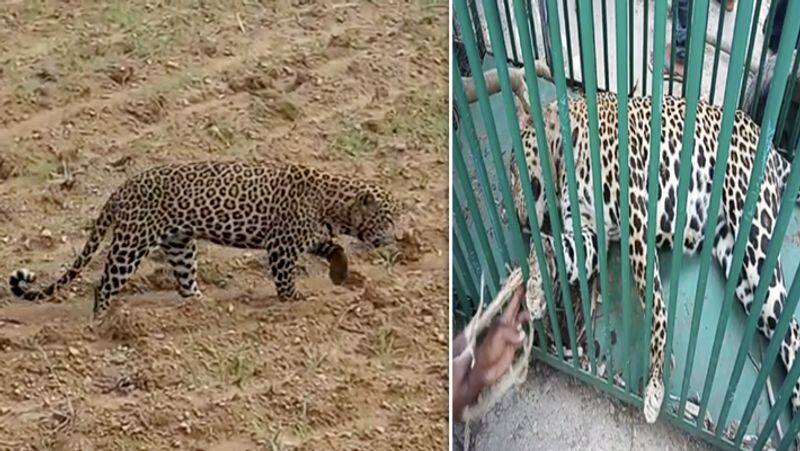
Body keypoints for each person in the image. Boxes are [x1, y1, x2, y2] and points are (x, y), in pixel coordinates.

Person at [451, 285, 530, 423]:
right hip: (483, 370)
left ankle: (519, 299)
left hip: (485, 374)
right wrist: (521, 338)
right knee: (506, 327)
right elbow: (463, 359)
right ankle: (520, 300)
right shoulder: (456, 379)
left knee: (507, 326)